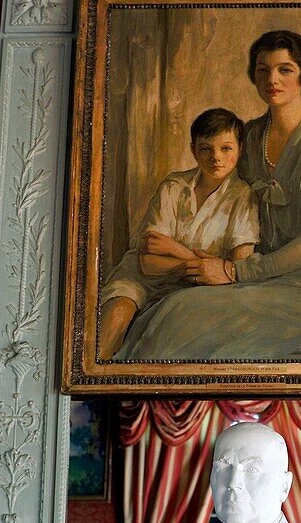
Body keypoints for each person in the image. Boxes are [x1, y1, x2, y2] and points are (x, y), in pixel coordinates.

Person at [118, 30, 301, 359]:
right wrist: (183, 249)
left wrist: (237, 271)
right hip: (256, 280)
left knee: (183, 312)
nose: (272, 78)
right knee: (170, 306)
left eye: (284, 69)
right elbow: (221, 200)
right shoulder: (251, 135)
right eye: (263, 69)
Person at [99, 107, 259, 359]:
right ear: (194, 150)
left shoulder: (243, 197)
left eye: (226, 148)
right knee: (118, 313)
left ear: (239, 149)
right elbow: (148, 262)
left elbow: (237, 269)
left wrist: (176, 251)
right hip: (143, 279)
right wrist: (197, 266)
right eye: (206, 148)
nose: (216, 157)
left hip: (199, 290)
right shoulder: (173, 187)